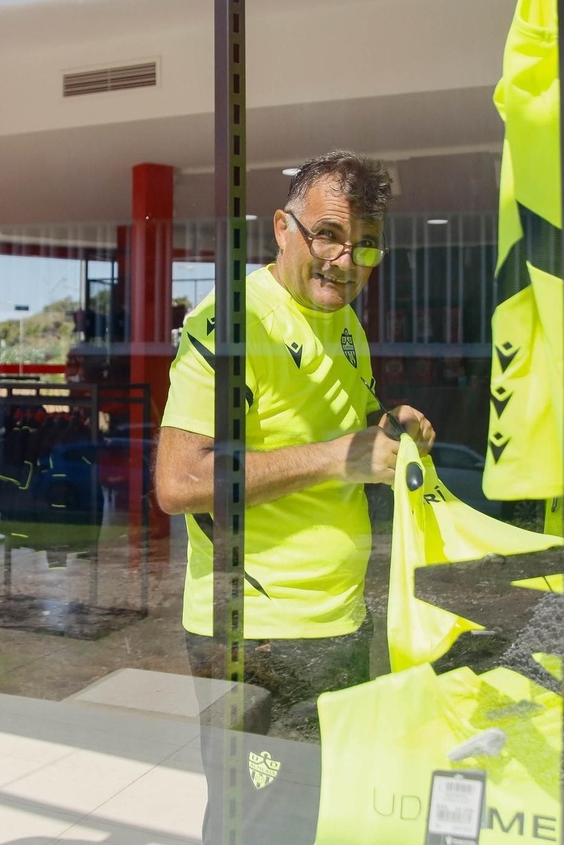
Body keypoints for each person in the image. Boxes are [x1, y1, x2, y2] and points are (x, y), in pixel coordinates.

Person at [155, 150, 433, 845]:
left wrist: (385, 428)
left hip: (334, 625)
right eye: (329, 234)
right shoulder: (233, 322)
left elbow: (335, 438)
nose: (346, 258)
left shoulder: (343, 324)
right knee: (258, 826)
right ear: (282, 228)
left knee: (314, 819)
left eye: (366, 243)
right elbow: (180, 480)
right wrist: (340, 459)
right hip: (258, 637)